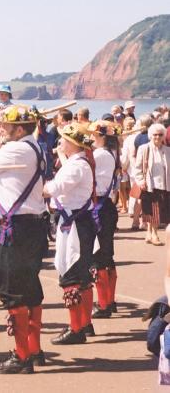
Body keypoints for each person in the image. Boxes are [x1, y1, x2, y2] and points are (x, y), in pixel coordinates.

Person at [0, 105, 48, 374]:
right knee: (29, 290)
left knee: (13, 292)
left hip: (19, 229)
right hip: (30, 226)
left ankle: (22, 356)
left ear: (21, 128)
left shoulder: (19, 150)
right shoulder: (29, 147)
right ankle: (34, 350)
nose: (2, 128)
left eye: (6, 126)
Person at [43, 123, 95, 345]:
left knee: (72, 275)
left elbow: (56, 188)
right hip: (77, 222)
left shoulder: (77, 166)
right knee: (81, 275)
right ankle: (84, 324)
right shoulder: (77, 162)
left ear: (73, 144)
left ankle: (77, 329)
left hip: (74, 223)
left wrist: (43, 187)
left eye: (63, 139)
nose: (59, 142)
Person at [88, 120, 121, 318]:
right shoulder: (111, 152)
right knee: (106, 254)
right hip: (106, 205)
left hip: (99, 205)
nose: (91, 137)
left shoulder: (99, 154)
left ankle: (104, 304)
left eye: (93, 134)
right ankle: (109, 300)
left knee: (99, 255)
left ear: (101, 136)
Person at [134, 123, 170, 246]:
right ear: (150, 135)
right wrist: (140, 181)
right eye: (155, 135)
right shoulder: (144, 148)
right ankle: (155, 235)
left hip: (164, 185)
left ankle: (149, 233)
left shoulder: (167, 150)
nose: (157, 137)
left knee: (153, 211)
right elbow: (137, 168)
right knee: (154, 211)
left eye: (160, 135)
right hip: (149, 185)